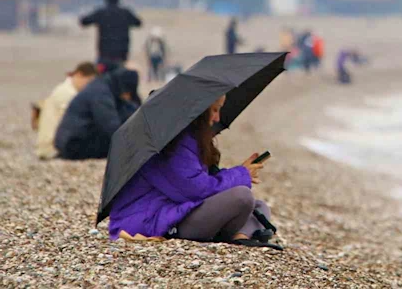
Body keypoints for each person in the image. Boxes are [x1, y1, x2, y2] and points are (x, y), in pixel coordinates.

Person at [108, 95, 276, 247]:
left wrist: (240, 173)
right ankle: (241, 234)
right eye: (215, 110)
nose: (217, 117)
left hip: (176, 210)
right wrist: (241, 174)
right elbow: (196, 190)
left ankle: (240, 237)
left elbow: (199, 181)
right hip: (156, 221)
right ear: (200, 112)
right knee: (242, 196)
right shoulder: (171, 143)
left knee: (259, 206)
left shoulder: (187, 138)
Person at [54, 68, 141, 160]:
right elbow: (110, 125)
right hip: (73, 145)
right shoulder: (101, 93)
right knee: (117, 141)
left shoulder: (104, 85)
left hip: (67, 141)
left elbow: (127, 108)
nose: (127, 96)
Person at [33, 62, 97, 160]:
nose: (89, 86)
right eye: (89, 82)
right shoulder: (67, 93)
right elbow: (71, 125)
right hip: (52, 148)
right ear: (79, 75)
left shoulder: (65, 89)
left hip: (49, 145)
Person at [80, 0, 142, 73]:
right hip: (121, 57)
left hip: (104, 57)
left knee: (102, 81)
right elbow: (138, 23)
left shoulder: (101, 12)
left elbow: (84, 22)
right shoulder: (125, 12)